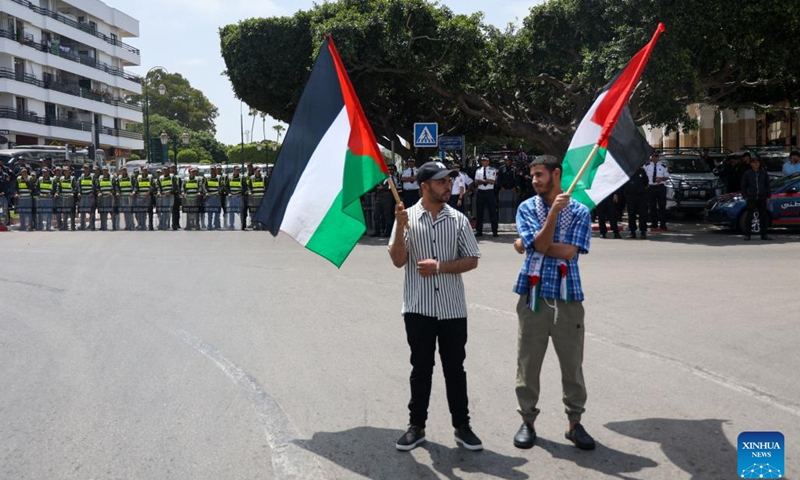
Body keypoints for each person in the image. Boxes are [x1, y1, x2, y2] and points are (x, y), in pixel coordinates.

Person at [388, 161, 483, 452]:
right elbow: (397, 260)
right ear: (425, 185)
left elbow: (472, 259)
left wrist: (440, 266)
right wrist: (401, 227)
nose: (449, 186)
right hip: (419, 307)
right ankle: (416, 426)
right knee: (421, 369)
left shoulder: (458, 219)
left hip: (453, 309)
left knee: (455, 369)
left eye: (450, 181)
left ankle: (462, 426)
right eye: (442, 181)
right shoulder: (405, 216)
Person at [511, 155, 595, 451]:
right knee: (528, 363)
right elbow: (543, 245)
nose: (534, 180)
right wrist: (551, 220)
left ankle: (575, 422)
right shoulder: (526, 208)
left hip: (568, 296)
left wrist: (534, 243)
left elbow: (568, 252)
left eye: (539, 175)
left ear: (556, 174)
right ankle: (527, 420)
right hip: (532, 296)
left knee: (572, 364)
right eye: (532, 175)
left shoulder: (581, 211)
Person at [741, 156, 772, 241]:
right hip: (751, 197)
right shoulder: (747, 173)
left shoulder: (763, 173)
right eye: (754, 162)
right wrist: (745, 196)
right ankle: (747, 234)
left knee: (763, 216)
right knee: (749, 216)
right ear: (751, 164)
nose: (756, 164)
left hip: (762, 197)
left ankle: (764, 234)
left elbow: (767, 185)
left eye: (757, 162)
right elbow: (743, 186)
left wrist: (768, 196)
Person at [643, 151, 669, 231]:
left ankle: (663, 224)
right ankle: (654, 223)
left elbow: (667, 176)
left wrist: (661, 179)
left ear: (658, 157)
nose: (654, 158)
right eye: (653, 156)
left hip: (660, 187)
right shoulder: (646, 166)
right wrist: (645, 184)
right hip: (650, 188)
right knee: (652, 206)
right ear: (651, 157)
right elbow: (643, 176)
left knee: (662, 206)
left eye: (656, 156)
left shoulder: (663, 166)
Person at [474, 156, 498, 237]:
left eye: (485, 161)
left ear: (488, 162)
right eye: (482, 161)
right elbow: (476, 182)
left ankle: (495, 231)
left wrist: (482, 181)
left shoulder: (492, 170)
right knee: (479, 212)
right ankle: (479, 231)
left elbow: (492, 181)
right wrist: (485, 181)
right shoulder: (478, 170)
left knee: (492, 212)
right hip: (480, 192)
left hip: (489, 192)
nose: (483, 162)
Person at [624, 166, 649, 239]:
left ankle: (643, 232)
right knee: (631, 214)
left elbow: (646, 182)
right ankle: (632, 232)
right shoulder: (627, 170)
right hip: (630, 196)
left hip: (641, 196)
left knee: (643, 214)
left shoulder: (642, 171)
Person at [56, 166, 77, 231]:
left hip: (70, 198)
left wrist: (73, 193)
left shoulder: (72, 178)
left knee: (71, 212)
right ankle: (65, 226)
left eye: (66, 170)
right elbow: (59, 187)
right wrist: (57, 193)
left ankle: (73, 226)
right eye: (64, 171)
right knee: (65, 212)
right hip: (63, 198)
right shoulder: (61, 178)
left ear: (69, 171)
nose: (65, 172)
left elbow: (75, 187)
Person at [225, 165, 246, 230]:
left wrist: (241, 193)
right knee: (231, 211)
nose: (238, 171)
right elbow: (226, 186)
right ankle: (231, 224)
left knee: (241, 211)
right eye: (236, 170)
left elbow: (245, 186)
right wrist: (229, 193)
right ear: (233, 170)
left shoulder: (241, 177)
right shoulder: (229, 177)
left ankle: (242, 224)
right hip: (231, 197)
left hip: (239, 197)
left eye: (238, 170)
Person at [135, 167, 155, 231]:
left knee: (150, 212)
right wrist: (134, 192)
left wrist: (149, 192)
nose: (145, 171)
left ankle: (150, 225)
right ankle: (142, 225)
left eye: (146, 170)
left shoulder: (150, 177)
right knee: (142, 212)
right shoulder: (139, 178)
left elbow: (153, 186)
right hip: (141, 197)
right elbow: (136, 187)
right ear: (141, 171)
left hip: (148, 197)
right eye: (143, 170)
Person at [116, 166, 136, 231]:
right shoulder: (119, 178)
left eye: (125, 170)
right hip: (123, 197)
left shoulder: (131, 177)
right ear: (121, 171)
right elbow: (117, 187)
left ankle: (131, 225)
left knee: (130, 212)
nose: (124, 171)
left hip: (130, 197)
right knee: (125, 212)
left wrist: (133, 192)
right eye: (123, 170)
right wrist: (118, 192)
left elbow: (135, 185)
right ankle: (127, 226)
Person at [77, 165, 96, 231]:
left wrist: (92, 192)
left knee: (91, 212)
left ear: (88, 169)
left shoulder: (92, 176)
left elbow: (95, 185)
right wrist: (79, 192)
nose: (84, 170)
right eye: (84, 169)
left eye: (86, 168)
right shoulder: (81, 177)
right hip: (83, 196)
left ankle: (92, 226)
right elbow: (79, 185)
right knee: (82, 212)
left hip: (90, 196)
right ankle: (82, 226)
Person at [96, 166, 115, 231]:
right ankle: (103, 226)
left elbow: (115, 187)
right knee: (102, 212)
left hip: (109, 198)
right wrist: (99, 192)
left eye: (106, 170)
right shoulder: (100, 178)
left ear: (108, 171)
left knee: (111, 212)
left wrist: (112, 192)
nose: (105, 171)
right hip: (102, 198)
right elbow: (97, 187)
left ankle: (114, 226)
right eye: (103, 170)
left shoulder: (111, 177)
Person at [204, 165, 223, 230]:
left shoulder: (219, 178)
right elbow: (204, 186)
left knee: (217, 211)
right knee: (210, 212)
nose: (212, 171)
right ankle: (209, 225)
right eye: (211, 169)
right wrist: (206, 192)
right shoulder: (207, 178)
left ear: (215, 170)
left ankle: (217, 224)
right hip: (209, 197)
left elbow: (221, 186)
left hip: (217, 197)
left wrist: (219, 192)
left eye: (213, 170)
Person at [169, 164, 182, 230]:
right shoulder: (168, 177)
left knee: (176, 211)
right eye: (171, 168)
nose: (172, 169)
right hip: (168, 195)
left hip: (176, 195)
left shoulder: (178, 177)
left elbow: (179, 186)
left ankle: (176, 224)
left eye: (174, 168)